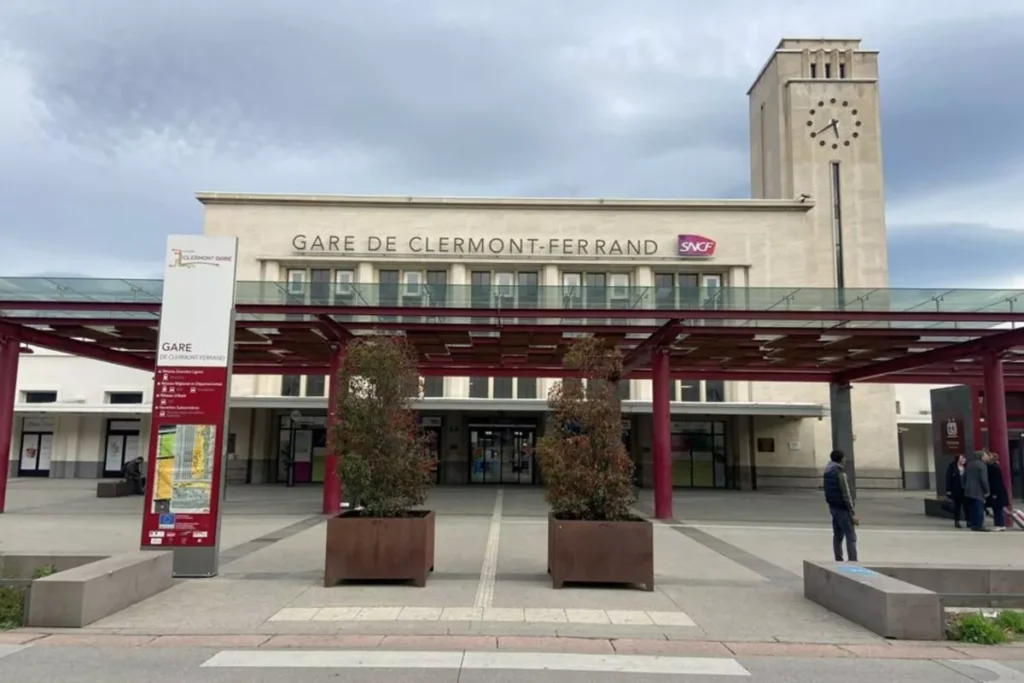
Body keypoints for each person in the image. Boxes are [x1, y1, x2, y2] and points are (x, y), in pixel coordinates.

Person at [823, 449, 858, 562]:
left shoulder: (828, 472)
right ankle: (853, 560)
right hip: (842, 508)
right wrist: (852, 510)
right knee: (851, 536)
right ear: (841, 459)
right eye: (844, 457)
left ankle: (838, 559)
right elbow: (846, 493)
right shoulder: (840, 473)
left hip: (833, 507)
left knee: (837, 535)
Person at [963, 450, 991, 532]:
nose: (986, 457)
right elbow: (984, 480)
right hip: (978, 491)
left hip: (968, 490)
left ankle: (973, 524)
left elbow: (964, 477)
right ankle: (979, 525)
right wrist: (987, 490)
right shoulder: (982, 466)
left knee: (972, 508)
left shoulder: (969, 465)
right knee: (979, 508)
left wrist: (965, 486)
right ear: (981, 457)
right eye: (985, 456)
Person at [986, 450, 1009, 532]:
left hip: (997, 492)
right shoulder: (995, 467)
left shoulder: (994, 468)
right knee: (998, 508)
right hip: (998, 491)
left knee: (997, 509)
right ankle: (1000, 524)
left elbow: (997, 482)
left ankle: (1000, 524)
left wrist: (995, 493)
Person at [945, 454, 967, 528]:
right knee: (957, 506)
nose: (963, 460)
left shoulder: (967, 467)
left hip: (965, 489)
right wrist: (948, 489)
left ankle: (968, 521)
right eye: (961, 458)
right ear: (957, 459)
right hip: (956, 490)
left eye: (964, 458)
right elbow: (948, 478)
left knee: (966, 506)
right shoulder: (952, 467)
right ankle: (957, 521)